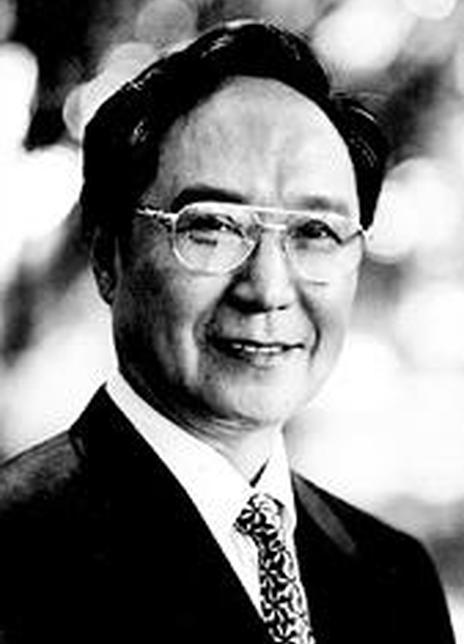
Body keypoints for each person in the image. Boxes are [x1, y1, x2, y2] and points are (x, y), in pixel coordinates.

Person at [0, 20, 455, 644]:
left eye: (316, 232)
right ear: (108, 256)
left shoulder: (395, 577)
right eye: (212, 226)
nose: (267, 289)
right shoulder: (14, 559)